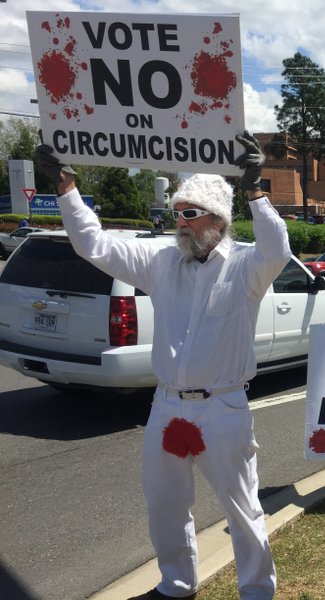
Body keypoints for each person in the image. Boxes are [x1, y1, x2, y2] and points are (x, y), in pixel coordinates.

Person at [35, 132, 292, 600]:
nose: (181, 223)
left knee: (242, 509)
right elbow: (92, 243)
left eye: (190, 214)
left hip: (223, 408)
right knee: (165, 505)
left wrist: (256, 189)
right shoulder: (160, 261)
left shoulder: (245, 267)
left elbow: (277, 250)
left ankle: (257, 591)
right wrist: (67, 187)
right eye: (177, 213)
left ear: (217, 220)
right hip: (166, 405)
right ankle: (177, 583)